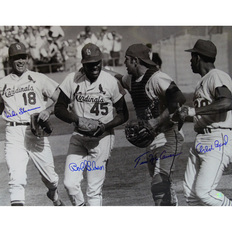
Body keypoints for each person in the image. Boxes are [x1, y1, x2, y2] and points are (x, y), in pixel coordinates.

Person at [54, 43, 128, 206]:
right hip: (79, 138)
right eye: (89, 63)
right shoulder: (73, 79)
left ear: (101, 61)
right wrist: (77, 120)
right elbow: (59, 108)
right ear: (83, 63)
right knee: (70, 184)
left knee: (93, 190)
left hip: (102, 139)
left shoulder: (110, 81)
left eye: (96, 62)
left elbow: (124, 114)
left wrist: (105, 126)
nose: (94, 66)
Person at [120, 44, 186, 206]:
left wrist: (156, 121)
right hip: (152, 141)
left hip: (169, 137)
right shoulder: (131, 79)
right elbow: (115, 77)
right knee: (162, 186)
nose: (124, 63)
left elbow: (179, 99)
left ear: (135, 61)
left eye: (126, 60)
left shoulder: (157, 78)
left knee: (159, 184)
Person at [0, 42, 64, 206]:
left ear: (28, 58)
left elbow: (62, 100)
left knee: (51, 179)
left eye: (23, 57)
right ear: (9, 61)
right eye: (16, 58)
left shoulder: (39, 78)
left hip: (36, 132)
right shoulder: (2, 83)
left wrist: (48, 111)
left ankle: (54, 193)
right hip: (13, 133)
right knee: (16, 179)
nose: (20, 61)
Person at [182, 39, 232, 206]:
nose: (190, 61)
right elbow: (207, 112)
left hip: (218, 139)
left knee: (205, 192)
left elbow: (227, 102)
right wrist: (182, 115)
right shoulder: (203, 81)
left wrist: (193, 111)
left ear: (198, 58)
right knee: (190, 194)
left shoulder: (217, 76)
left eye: (192, 56)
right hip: (202, 139)